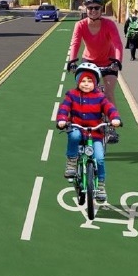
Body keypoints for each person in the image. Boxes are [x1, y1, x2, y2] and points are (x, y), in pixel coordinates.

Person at [56, 62, 122, 202]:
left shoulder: (100, 97)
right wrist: (62, 119)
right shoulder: (72, 95)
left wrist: (115, 118)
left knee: (99, 158)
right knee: (74, 135)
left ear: (96, 83)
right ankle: (72, 163)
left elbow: (109, 108)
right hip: (77, 127)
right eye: (83, 81)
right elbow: (64, 108)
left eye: (90, 81)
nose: (86, 84)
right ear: (78, 82)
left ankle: (101, 186)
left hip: (95, 133)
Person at [66, 0, 124, 106]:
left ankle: (113, 121)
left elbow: (117, 44)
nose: (93, 10)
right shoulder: (80, 25)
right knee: (85, 92)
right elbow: (75, 43)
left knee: (109, 93)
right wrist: (72, 61)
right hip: (88, 61)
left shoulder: (109, 24)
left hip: (109, 62)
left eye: (96, 8)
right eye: (90, 8)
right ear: (86, 9)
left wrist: (118, 61)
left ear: (101, 9)